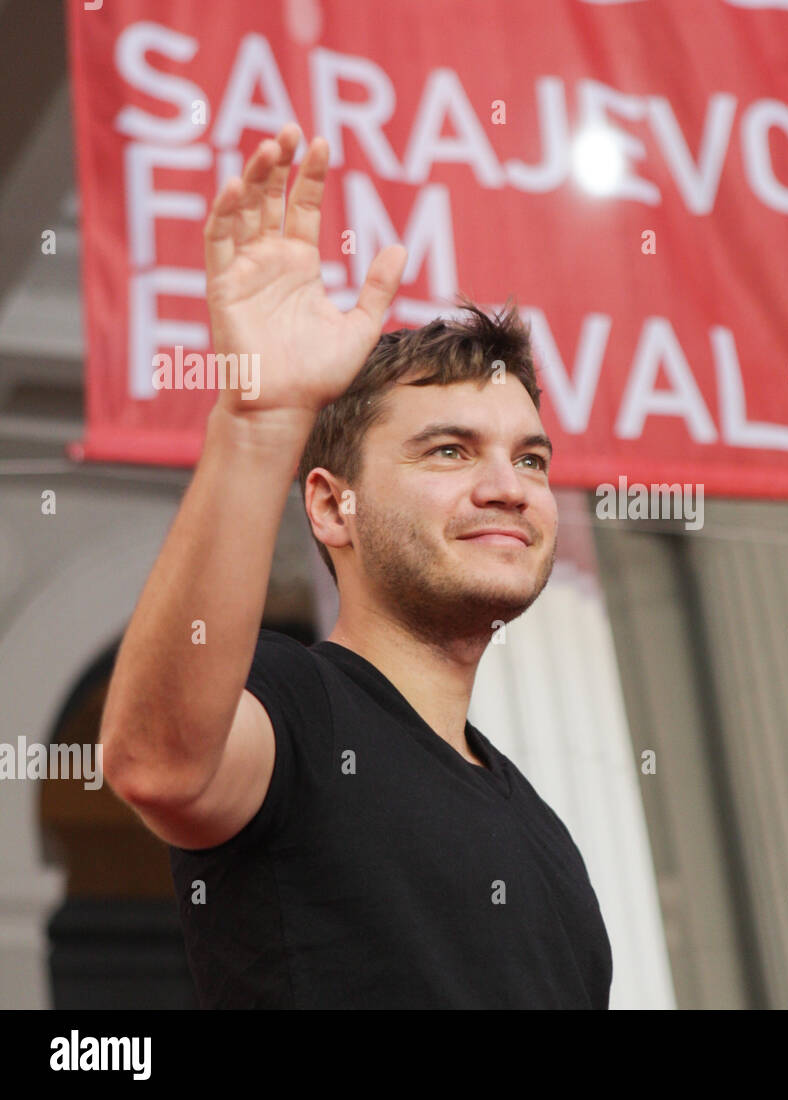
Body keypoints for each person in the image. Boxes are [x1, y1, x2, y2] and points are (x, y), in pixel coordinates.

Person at [101, 123, 612, 1008]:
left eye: (530, 459)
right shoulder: (295, 705)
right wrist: (261, 423)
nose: (508, 486)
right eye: (450, 451)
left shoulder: (547, 839)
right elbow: (158, 763)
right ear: (334, 505)